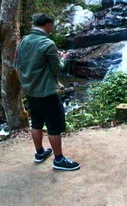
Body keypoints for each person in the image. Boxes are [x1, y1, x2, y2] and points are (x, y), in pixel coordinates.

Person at [13, 13, 81, 171]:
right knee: (54, 127)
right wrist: (63, 57)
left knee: (36, 123)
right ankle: (59, 160)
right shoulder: (47, 43)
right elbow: (58, 68)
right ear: (49, 25)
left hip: (30, 91)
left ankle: (39, 153)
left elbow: (16, 65)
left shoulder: (23, 41)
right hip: (47, 93)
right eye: (53, 26)